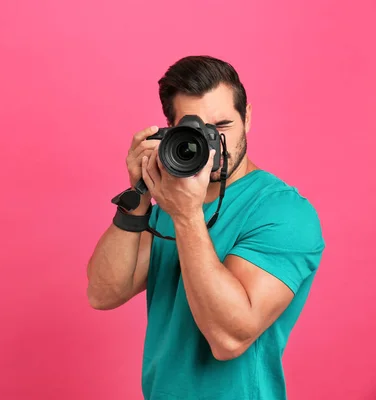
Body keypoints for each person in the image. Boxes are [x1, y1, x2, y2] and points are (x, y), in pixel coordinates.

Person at [86, 55, 325, 400]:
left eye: (223, 126)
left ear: (248, 118)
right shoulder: (172, 199)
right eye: (196, 129)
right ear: (171, 130)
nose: (215, 144)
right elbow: (103, 293)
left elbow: (228, 339)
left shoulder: (284, 213)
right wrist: (140, 192)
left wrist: (186, 215)